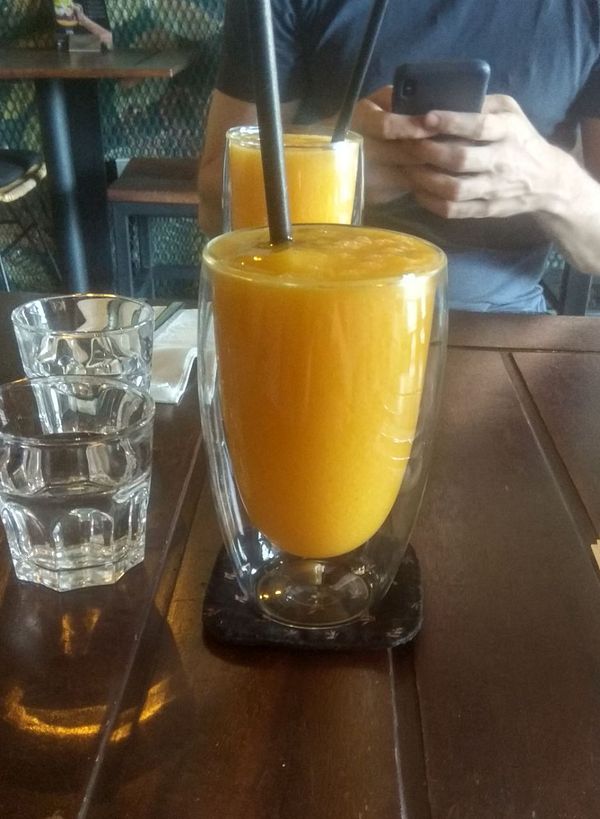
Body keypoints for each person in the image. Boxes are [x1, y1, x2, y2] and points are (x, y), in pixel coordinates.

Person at [198, 0, 600, 313]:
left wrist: (553, 184)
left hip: (504, 323)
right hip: (309, 303)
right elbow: (214, 205)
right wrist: (330, 168)